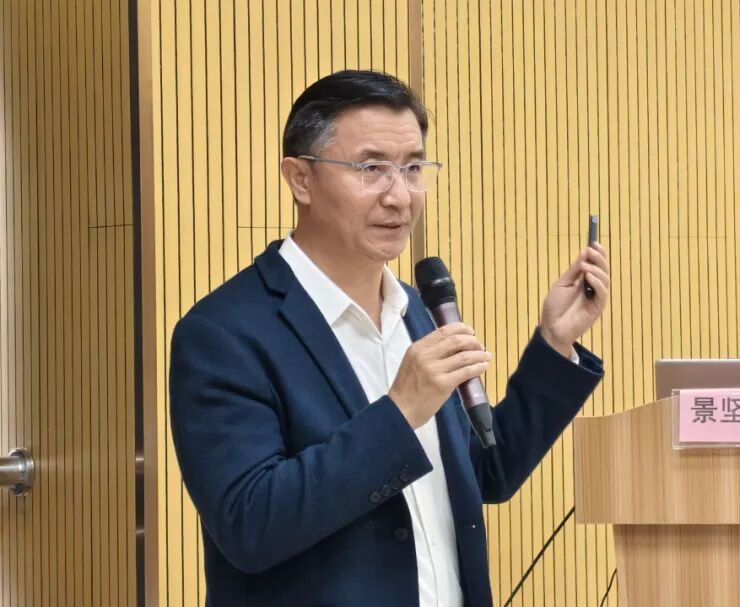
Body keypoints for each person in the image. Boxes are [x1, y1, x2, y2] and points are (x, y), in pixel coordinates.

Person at [169, 69, 611, 606]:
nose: (401, 196)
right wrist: (401, 413)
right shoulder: (223, 333)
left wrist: (555, 345)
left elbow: (484, 473)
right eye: (371, 168)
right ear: (300, 178)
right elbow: (250, 524)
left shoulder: (414, 310)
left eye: (413, 168)